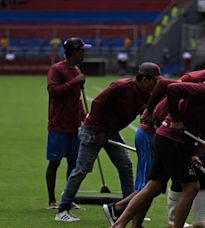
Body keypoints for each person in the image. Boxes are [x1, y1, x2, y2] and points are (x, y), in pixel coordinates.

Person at [110, 64, 205, 228]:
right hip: (170, 140)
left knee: (154, 187)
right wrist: (176, 119)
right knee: (192, 187)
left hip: (169, 140)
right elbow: (172, 89)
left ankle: (118, 224)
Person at [55, 62, 162, 222]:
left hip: (112, 132)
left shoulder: (146, 95)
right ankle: (62, 209)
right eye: (155, 81)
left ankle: (129, 209)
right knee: (82, 169)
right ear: (145, 79)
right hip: (93, 130)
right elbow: (97, 103)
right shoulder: (121, 86)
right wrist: (97, 131)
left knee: (125, 166)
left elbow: (144, 111)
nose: (156, 84)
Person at [45, 37, 90, 211]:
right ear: (73, 52)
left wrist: (84, 117)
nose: (84, 53)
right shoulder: (57, 69)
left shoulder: (77, 69)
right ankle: (51, 200)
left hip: (73, 125)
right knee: (54, 162)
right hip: (58, 124)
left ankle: (68, 198)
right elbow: (53, 91)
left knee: (73, 163)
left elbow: (76, 99)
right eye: (81, 50)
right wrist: (74, 82)